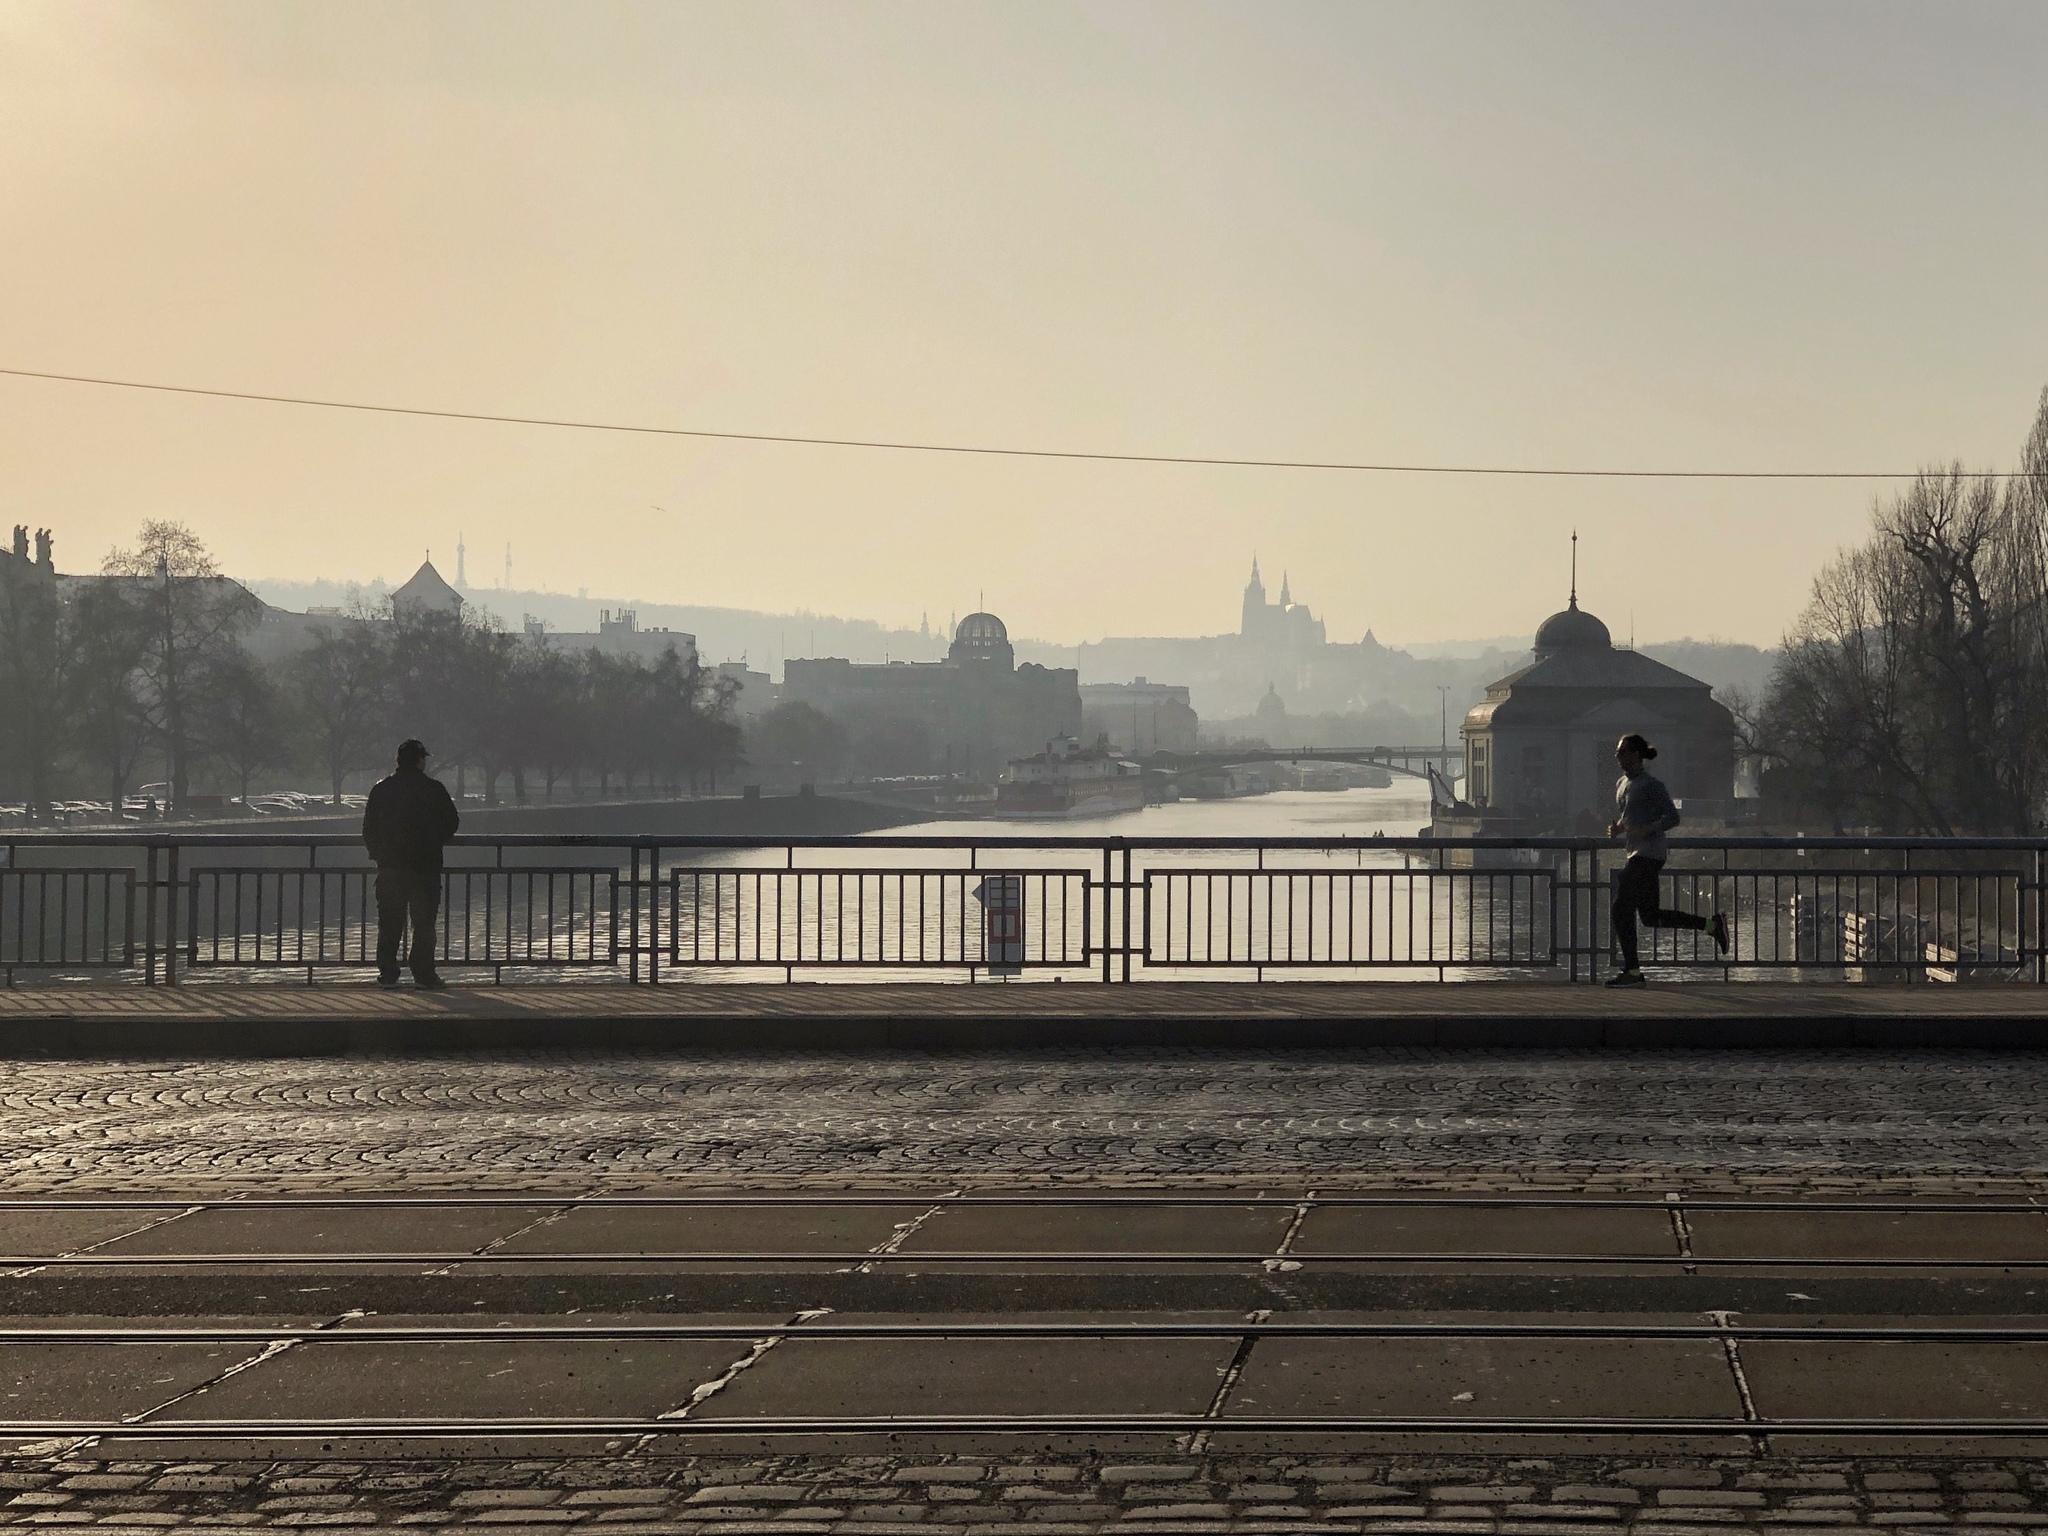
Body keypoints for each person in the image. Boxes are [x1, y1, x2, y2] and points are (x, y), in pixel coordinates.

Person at [1606, 733, 1727, 986]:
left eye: (1623, 751)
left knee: (1620, 909)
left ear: (1636, 755)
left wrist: (1647, 830)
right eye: (1618, 752)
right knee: (1650, 917)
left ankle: (1632, 972)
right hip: (1636, 852)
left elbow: (1672, 817)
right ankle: (1711, 925)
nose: (1618, 756)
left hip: (1649, 854)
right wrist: (1618, 827)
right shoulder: (1621, 783)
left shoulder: (1652, 785)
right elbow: (1630, 816)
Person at [362, 739, 460, 989]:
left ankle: (388, 973)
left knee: (390, 923)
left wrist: (378, 853)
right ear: (419, 760)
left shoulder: (382, 789)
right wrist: (433, 841)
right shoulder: (434, 789)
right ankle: (424, 974)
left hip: (391, 867)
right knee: (424, 924)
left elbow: (369, 827)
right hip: (425, 867)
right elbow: (451, 822)